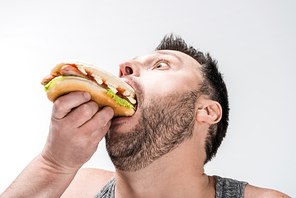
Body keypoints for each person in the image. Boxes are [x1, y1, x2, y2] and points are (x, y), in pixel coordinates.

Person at [1, 35, 290, 198]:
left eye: (161, 65)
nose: (124, 67)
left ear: (206, 111)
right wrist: (54, 164)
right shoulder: (74, 188)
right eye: (129, 66)